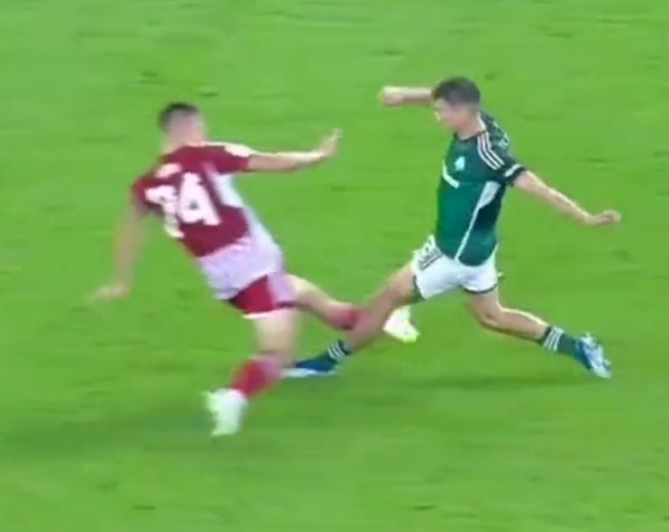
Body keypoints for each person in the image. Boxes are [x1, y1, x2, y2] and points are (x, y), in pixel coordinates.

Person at [93, 102, 416, 436]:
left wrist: (121, 279)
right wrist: (316, 156)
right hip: (255, 265)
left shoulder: (148, 184)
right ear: (190, 127)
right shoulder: (208, 155)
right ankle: (233, 397)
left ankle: (386, 318)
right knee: (278, 355)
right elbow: (273, 162)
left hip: (220, 277)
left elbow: (130, 227)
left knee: (313, 300)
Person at [290, 77, 619, 378]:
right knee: (492, 317)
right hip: (479, 250)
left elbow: (540, 189)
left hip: (452, 255)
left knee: (387, 298)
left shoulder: (489, 155)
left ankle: (325, 363)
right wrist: (405, 96)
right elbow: (441, 96)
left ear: (463, 111)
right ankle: (579, 348)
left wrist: (587, 218)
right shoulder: (480, 122)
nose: (438, 117)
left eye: (443, 112)